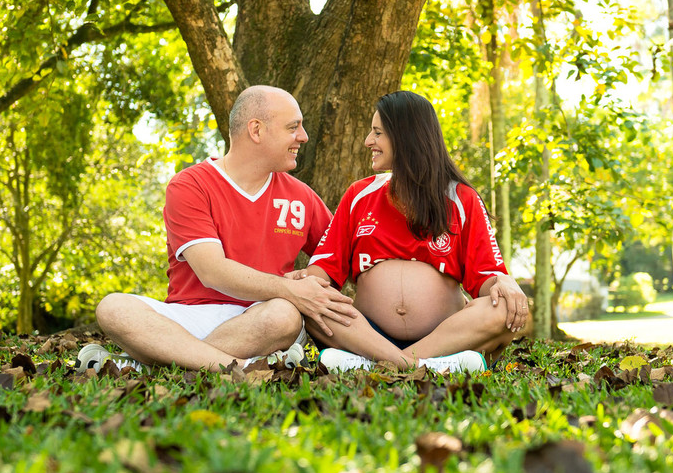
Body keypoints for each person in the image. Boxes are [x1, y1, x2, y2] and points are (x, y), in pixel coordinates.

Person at [79, 85, 359, 373]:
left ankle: (157, 362)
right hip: (189, 314)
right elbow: (212, 271)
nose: (303, 136)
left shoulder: (302, 197)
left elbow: (344, 257)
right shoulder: (190, 185)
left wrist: (309, 278)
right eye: (293, 127)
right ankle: (235, 366)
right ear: (256, 130)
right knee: (113, 308)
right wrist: (290, 288)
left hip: (259, 317)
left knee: (285, 315)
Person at [299, 90, 529, 373]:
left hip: (444, 337)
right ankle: (417, 365)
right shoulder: (359, 195)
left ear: (406, 137)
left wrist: (503, 280)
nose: (368, 141)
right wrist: (304, 282)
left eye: (377, 133)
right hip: (367, 335)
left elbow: (487, 280)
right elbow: (322, 271)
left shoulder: (462, 199)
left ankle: (379, 365)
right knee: (310, 301)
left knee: (504, 308)